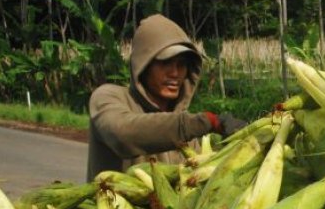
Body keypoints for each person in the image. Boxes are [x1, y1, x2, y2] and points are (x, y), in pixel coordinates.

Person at [87, 14, 246, 180]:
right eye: (165, 63)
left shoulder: (186, 131)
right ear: (143, 64)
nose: (175, 73)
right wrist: (208, 122)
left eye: (181, 65)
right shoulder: (108, 97)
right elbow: (121, 133)